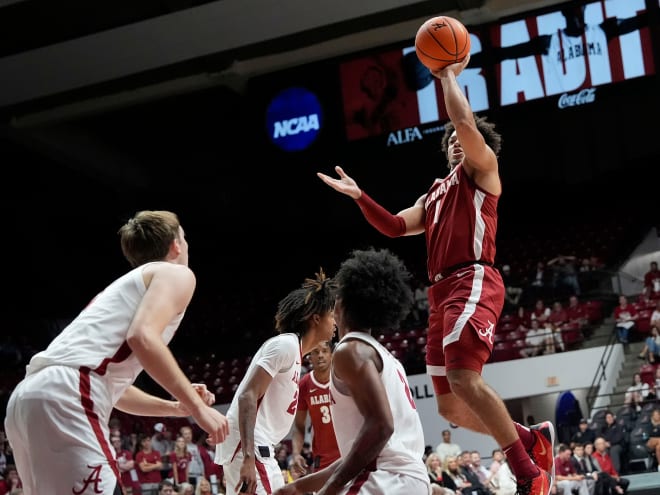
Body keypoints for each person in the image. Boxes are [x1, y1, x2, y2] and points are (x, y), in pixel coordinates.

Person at [317, 55, 553, 495]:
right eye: (452, 142)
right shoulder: (435, 193)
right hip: (441, 291)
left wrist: (446, 76)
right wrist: (360, 196)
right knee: (449, 406)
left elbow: (464, 122)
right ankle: (528, 439)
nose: (459, 144)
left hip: (474, 277)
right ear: (444, 150)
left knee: (465, 379)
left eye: (467, 139)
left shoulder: (483, 173)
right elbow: (392, 226)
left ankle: (529, 474)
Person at [3, 210, 229, 494]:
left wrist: (176, 407)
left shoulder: (122, 291)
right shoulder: (178, 273)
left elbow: (115, 390)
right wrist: (198, 410)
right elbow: (142, 337)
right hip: (68, 392)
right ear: (176, 245)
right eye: (185, 237)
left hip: (29, 397)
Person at [272, 247, 432, 495]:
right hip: (408, 480)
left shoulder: (350, 350)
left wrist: (331, 489)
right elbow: (359, 454)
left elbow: (381, 427)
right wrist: (299, 486)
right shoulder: (384, 356)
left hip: (383, 480)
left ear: (342, 304)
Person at [214, 270, 336, 495]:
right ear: (316, 318)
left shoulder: (295, 354)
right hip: (250, 447)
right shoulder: (286, 346)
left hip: (258, 445)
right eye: (331, 314)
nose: (335, 321)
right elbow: (247, 396)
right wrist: (249, 457)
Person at [291, 340, 341, 476]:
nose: (320, 355)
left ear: (331, 355)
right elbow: (299, 427)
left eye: (324, 351)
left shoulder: (343, 377)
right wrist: (296, 454)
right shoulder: (304, 384)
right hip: (322, 459)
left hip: (348, 453)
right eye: (315, 352)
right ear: (310, 357)